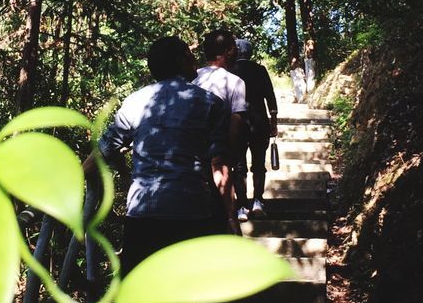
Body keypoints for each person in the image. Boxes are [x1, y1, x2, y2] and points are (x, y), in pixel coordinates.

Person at [84, 35, 233, 277]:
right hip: (191, 212)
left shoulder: (135, 101)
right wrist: (230, 217)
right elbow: (219, 165)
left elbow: (107, 146)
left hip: (144, 213)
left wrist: (78, 174)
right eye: (188, 53)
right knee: (183, 296)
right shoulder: (211, 104)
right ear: (181, 60)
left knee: (135, 301)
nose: (194, 59)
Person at [193, 28, 248, 225]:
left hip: (187, 160)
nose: (236, 53)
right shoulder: (235, 82)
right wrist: (234, 156)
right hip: (218, 159)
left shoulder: (192, 78)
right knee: (226, 217)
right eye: (234, 49)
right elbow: (236, 122)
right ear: (227, 52)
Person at [231, 38, 278, 219]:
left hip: (237, 124)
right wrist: (273, 122)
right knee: (259, 165)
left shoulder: (230, 71)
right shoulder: (260, 70)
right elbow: (270, 97)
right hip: (260, 124)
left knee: (239, 166)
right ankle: (258, 201)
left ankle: (242, 206)